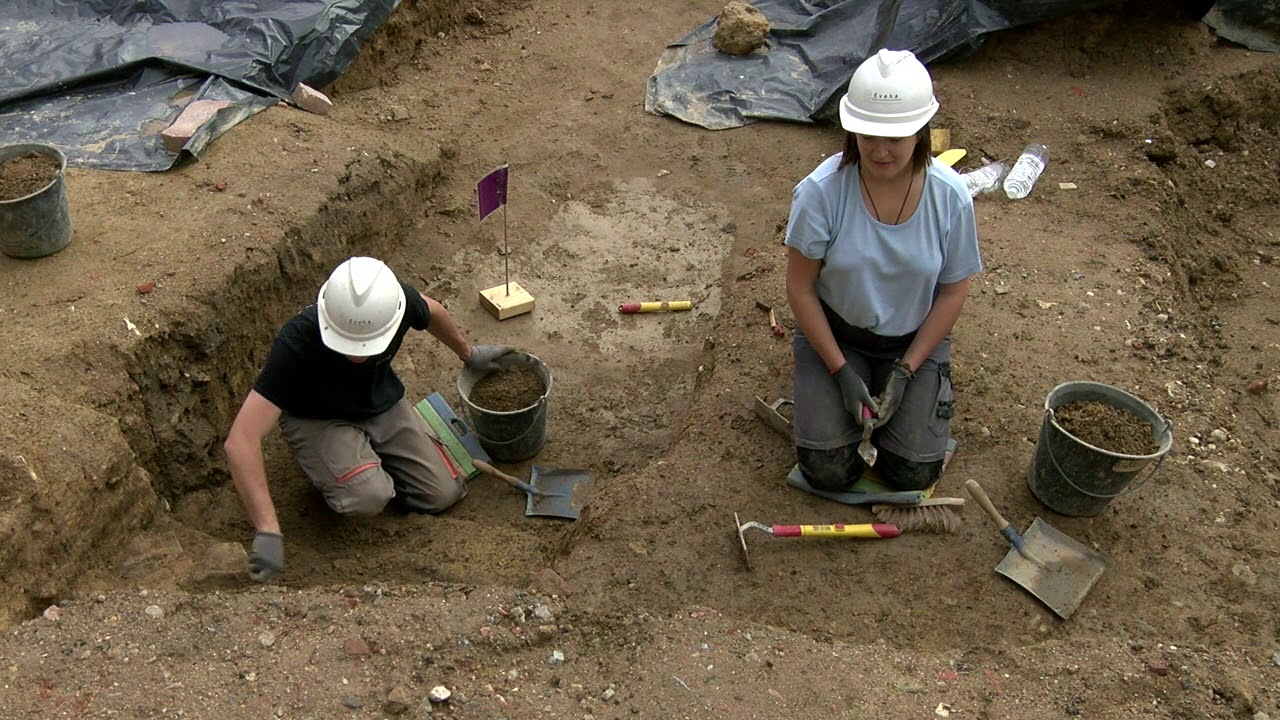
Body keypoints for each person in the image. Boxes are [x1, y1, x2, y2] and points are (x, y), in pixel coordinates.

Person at [224, 256, 512, 582]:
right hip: (317, 417)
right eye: (347, 344)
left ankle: (372, 457)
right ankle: (341, 466)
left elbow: (432, 311)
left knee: (441, 495)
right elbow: (240, 440)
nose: (357, 355)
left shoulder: (394, 304)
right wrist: (267, 529)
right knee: (369, 497)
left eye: (367, 344)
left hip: (379, 402)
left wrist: (469, 353)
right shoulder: (298, 339)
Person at [784, 49, 982, 494]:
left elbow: (952, 291)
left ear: (921, 131)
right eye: (868, 133)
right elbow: (800, 287)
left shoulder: (950, 197)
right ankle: (831, 386)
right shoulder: (821, 192)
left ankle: (908, 397)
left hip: (913, 340)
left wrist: (907, 370)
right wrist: (840, 371)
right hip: (839, 334)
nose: (880, 149)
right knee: (827, 471)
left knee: (911, 472)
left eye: (896, 136)